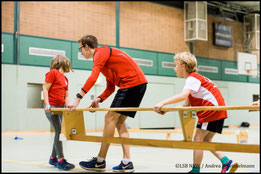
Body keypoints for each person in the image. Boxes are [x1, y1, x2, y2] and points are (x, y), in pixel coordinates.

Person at [69, 34, 148, 172]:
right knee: (119, 122)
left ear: (87, 47)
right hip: (137, 84)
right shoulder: (106, 61)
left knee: (109, 118)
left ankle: (100, 161)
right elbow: (110, 87)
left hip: (131, 83)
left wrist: (78, 97)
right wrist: (98, 99)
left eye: (80, 48)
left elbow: (93, 77)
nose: (80, 52)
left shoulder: (101, 53)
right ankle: (127, 161)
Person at [153, 52, 238, 173]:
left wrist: (162, 103)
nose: (174, 68)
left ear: (183, 66)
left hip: (211, 111)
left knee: (198, 140)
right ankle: (226, 162)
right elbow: (185, 105)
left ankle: (195, 171)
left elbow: (183, 96)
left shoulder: (192, 78)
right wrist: (166, 110)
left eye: (175, 65)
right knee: (206, 141)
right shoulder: (196, 79)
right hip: (218, 111)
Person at [43, 55, 75, 170]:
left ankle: (53, 158)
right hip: (52, 108)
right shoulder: (53, 73)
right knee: (59, 130)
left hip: (61, 108)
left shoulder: (66, 79)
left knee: (59, 131)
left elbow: (66, 95)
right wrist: (47, 104)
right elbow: (45, 88)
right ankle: (61, 160)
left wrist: (68, 104)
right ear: (63, 62)